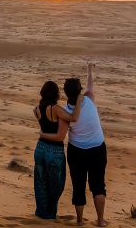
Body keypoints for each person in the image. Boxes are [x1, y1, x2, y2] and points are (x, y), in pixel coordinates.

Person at [41, 63, 108, 227]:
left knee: (78, 185)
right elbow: (90, 85)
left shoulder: (65, 112)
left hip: (76, 151)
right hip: (97, 149)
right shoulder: (89, 99)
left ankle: (79, 221)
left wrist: (43, 133)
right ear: (80, 91)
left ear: (65, 93)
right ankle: (100, 220)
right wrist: (89, 70)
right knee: (98, 185)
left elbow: (60, 134)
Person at [33, 80, 84, 220]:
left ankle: (41, 213)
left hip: (40, 149)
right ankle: (49, 215)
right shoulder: (55, 109)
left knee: (40, 183)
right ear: (55, 93)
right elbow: (73, 119)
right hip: (54, 151)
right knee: (57, 185)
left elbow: (44, 127)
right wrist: (79, 101)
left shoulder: (36, 109)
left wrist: (43, 134)